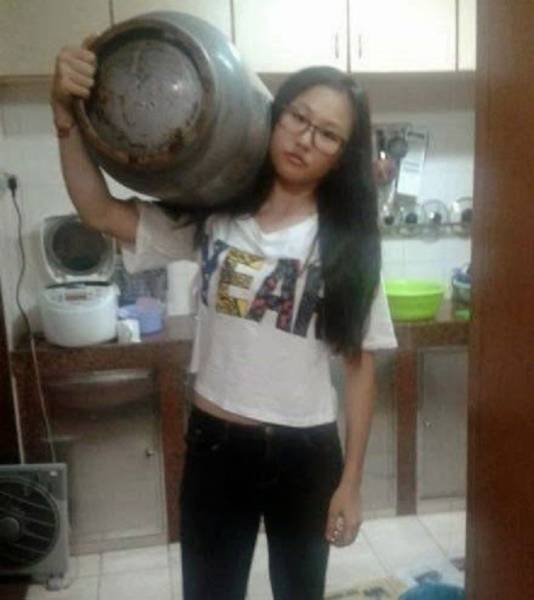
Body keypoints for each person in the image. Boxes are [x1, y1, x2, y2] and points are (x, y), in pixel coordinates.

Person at [51, 35, 397, 600]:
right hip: (217, 446)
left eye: (328, 134)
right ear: (274, 115)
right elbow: (99, 211)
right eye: (298, 117)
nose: (305, 139)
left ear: (343, 153)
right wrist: (65, 119)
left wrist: (352, 482)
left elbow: (359, 369)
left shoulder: (349, 246)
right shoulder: (215, 212)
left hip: (306, 452)